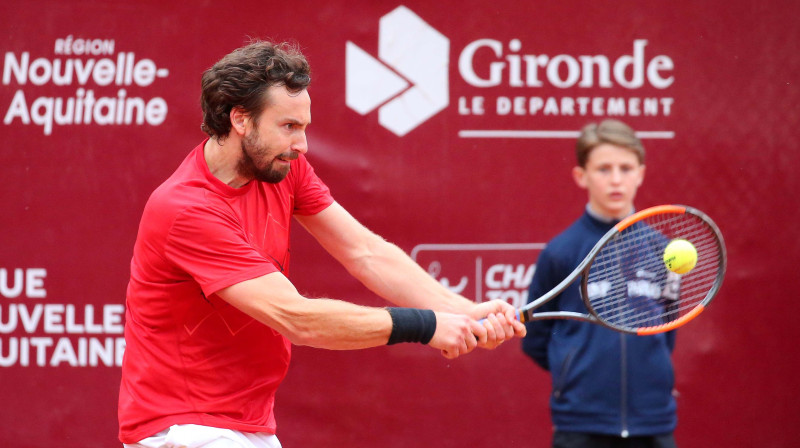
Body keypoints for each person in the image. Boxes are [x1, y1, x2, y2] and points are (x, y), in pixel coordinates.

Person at [118, 40, 526, 448]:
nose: (302, 145)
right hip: (181, 429)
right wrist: (426, 325)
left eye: (304, 127)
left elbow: (364, 252)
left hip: (246, 423)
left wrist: (462, 309)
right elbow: (298, 318)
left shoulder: (283, 168)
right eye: (289, 126)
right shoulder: (187, 210)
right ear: (241, 119)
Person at [521, 119, 678, 448]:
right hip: (581, 423)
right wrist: (575, 372)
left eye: (626, 168)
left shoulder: (664, 252)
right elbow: (534, 337)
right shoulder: (560, 252)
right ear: (582, 176)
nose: (616, 179)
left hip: (652, 421)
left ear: (641, 174)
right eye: (604, 169)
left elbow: (668, 330)